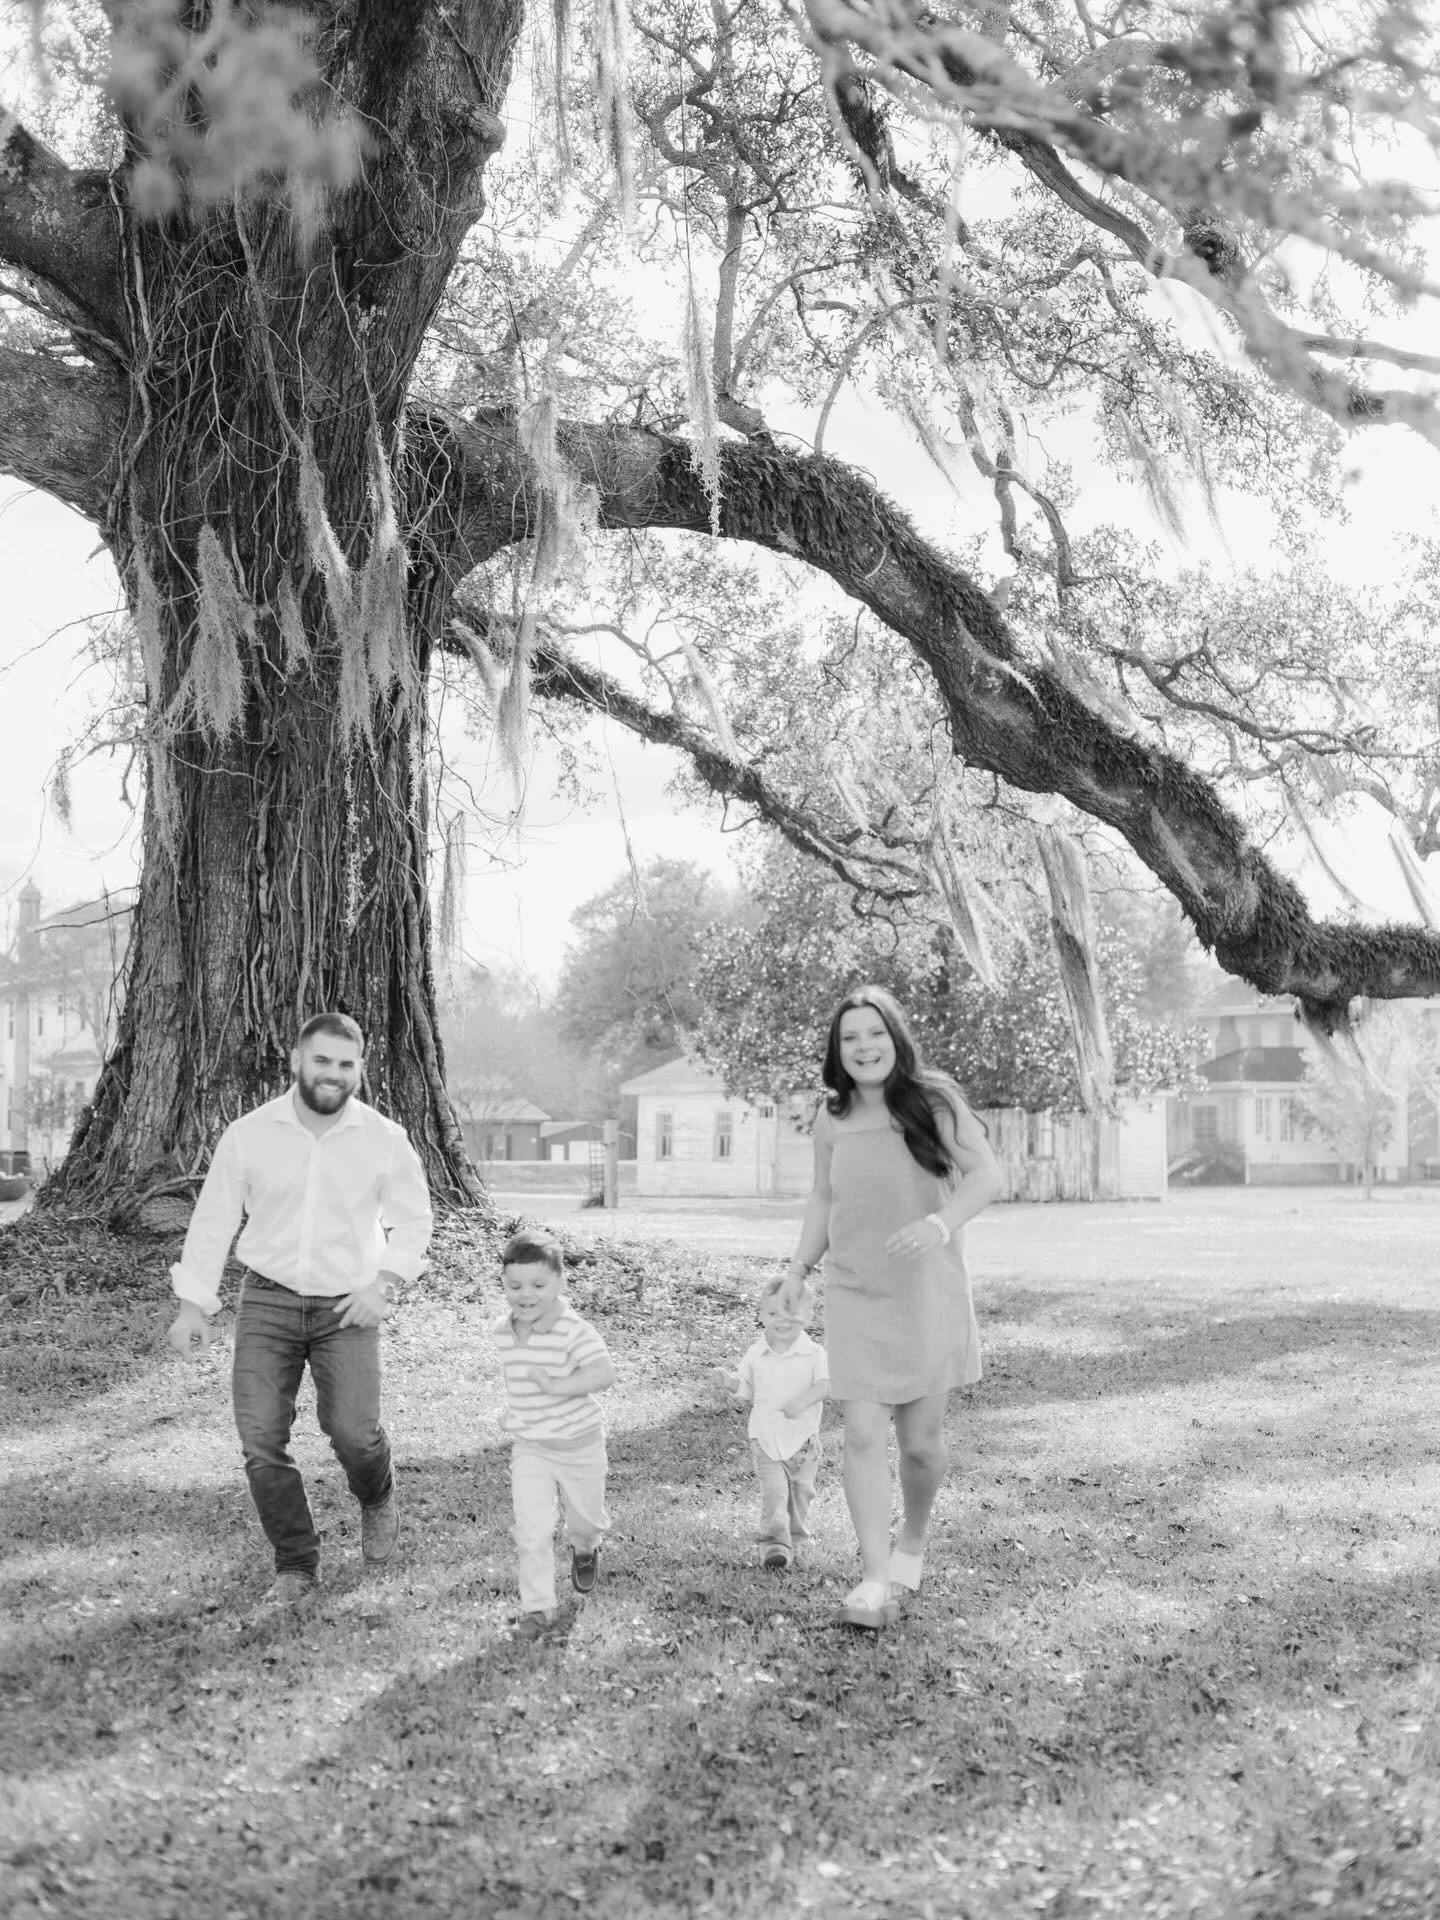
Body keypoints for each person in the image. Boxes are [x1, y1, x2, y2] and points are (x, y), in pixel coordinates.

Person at [166, 1012, 433, 1606]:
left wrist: (382, 1285)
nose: (333, 1075)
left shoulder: (384, 1139)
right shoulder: (250, 1134)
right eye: (322, 1061)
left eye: (346, 1064)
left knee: (354, 1435)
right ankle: (295, 1565)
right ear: (296, 1060)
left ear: (360, 1069)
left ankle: (377, 1494)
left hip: (350, 1306)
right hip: (268, 1300)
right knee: (261, 1438)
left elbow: (415, 1221)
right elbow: (213, 1222)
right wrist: (193, 1307)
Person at [775, 985, 1004, 1629]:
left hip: (926, 1291)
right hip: (854, 1291)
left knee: (922, 1448)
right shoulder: (832, 1116)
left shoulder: (933, 1100)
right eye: (849, 1038)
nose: (863, 1047)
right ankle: (874, 1577)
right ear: (836, 1050)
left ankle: (914, 1540)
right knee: (862, 1434)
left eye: (874, 1033)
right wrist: (798, 1270)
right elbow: (823, 1200)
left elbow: (986, 1174)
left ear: (895, 1038)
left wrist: (939, 1224)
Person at [491, 1229, 617, 1638]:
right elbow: (521, 1382)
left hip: (580, 1447)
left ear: (560, 1283)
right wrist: (516, 1413)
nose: (526, 1294)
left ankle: (585, 1548)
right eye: (515, 1286)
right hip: (531, 1450)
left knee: (584, 1523)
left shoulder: (572, 1330)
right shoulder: (503, 1331)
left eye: (538, 1285)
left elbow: (604, 1373)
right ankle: (537, 1610)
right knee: (532, 1531)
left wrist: (556, 1387)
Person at [714, 1282, 829, 1572]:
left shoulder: (814, 1353)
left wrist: (803, 1401)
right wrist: (730, 1383)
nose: (782, 1320)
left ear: (809, 1315)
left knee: (802, 1493)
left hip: (803, 1441)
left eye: (791, 1313)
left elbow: (827, 1385)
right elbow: (748, 1386)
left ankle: (796, 1541)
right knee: (775, 1493)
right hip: (765, 1438)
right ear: (762, 1315)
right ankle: (775, 1547)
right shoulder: (756, 1353)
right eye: (773, 1313)